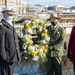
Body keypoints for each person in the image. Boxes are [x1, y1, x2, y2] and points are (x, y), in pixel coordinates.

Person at [0, 7, 21, 75]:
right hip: (6, 57)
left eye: (12, 15)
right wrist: (3, 57)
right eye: (9, 15)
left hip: (12, 56)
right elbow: (1, 42)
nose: (11, 17)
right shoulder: (2, 26)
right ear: (4, 14)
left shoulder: (10, 24)